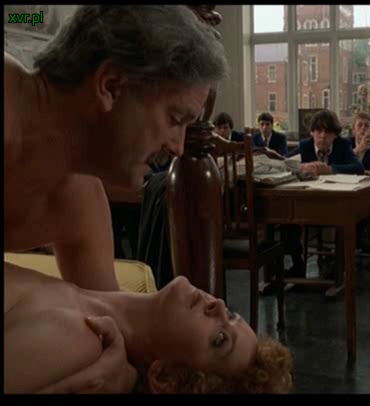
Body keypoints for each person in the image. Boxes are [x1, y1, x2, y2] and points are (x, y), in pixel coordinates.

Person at [4, 5, 229, 392]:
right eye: (175, 119)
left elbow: (114, 323)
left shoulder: (77, 200)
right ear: (110, 86)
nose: (178, 147)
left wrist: (124, 375)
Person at [4, 267, 293, 393]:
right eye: (231, 314)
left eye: (219, 339)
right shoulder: (93, 298)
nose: (218, 305)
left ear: (165, 378)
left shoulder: (81, 339)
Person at [283, 110, 363, 277]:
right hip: (307, 201)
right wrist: (300, 168)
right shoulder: (305, 146)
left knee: (346, 219)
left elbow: (358, 167)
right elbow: (284, 163)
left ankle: (337, 264)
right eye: (319, 131)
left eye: (328, 132)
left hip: (334, 203)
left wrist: (330, 169)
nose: (323, 136)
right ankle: (297, 264)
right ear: (312, 132)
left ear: (335, 135)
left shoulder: (342, 145)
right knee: (286, 218)